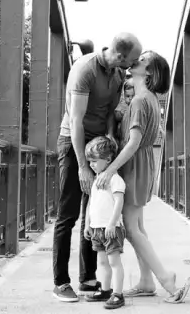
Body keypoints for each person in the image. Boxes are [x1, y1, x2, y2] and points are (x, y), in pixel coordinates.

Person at [95, 50, 190, 304]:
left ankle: (166, 279)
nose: (136, 59)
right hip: (143, 164)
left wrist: (110, 169)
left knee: (130, 228)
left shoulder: (139, 101)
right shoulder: (147, 99)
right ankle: (147, 281)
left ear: (148, 72)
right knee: (137, 227)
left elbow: (134, 141)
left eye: (143, 59)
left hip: (134, 166)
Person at [52, 33, 142, 302]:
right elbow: (76, 121)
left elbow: (109, 114)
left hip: (98, 146)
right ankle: (60, 282)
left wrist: (112, 136)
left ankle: (88, 278)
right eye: (133, 60)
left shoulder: (115, 75)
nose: (134, 65)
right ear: (121, 56)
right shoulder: (84, 69)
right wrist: (82, 166)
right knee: (68, 214)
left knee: (93, 212)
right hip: (73, 143)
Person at [83, 137, 127, 309]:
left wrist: (112, 223)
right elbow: (90, 204)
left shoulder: (115, 179)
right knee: (102, 262)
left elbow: (119, 202)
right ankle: (106, 290)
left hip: (111, 229)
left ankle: (118, 294)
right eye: (89, 162)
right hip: (96, 229)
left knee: (114, 263)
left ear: (108, 159)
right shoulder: (96, 180)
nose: (91, 165)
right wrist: (87, 224)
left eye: (94, 161)